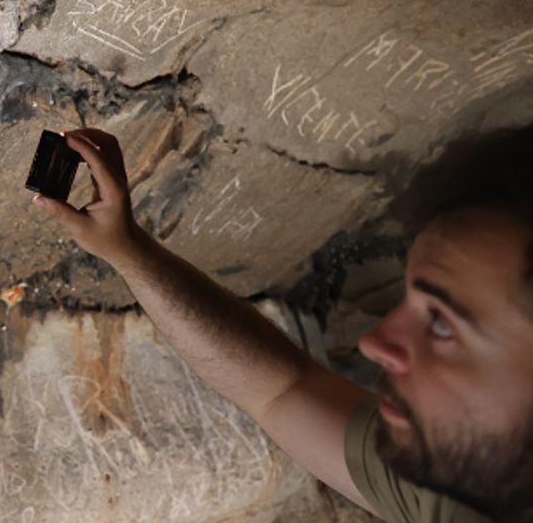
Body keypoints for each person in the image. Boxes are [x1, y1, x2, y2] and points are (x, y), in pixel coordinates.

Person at [33, 128, 533, 523]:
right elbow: (281, 389)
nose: (375, 342)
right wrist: (126, 249)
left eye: (443, 326)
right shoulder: (467, 492)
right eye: (410, 301)